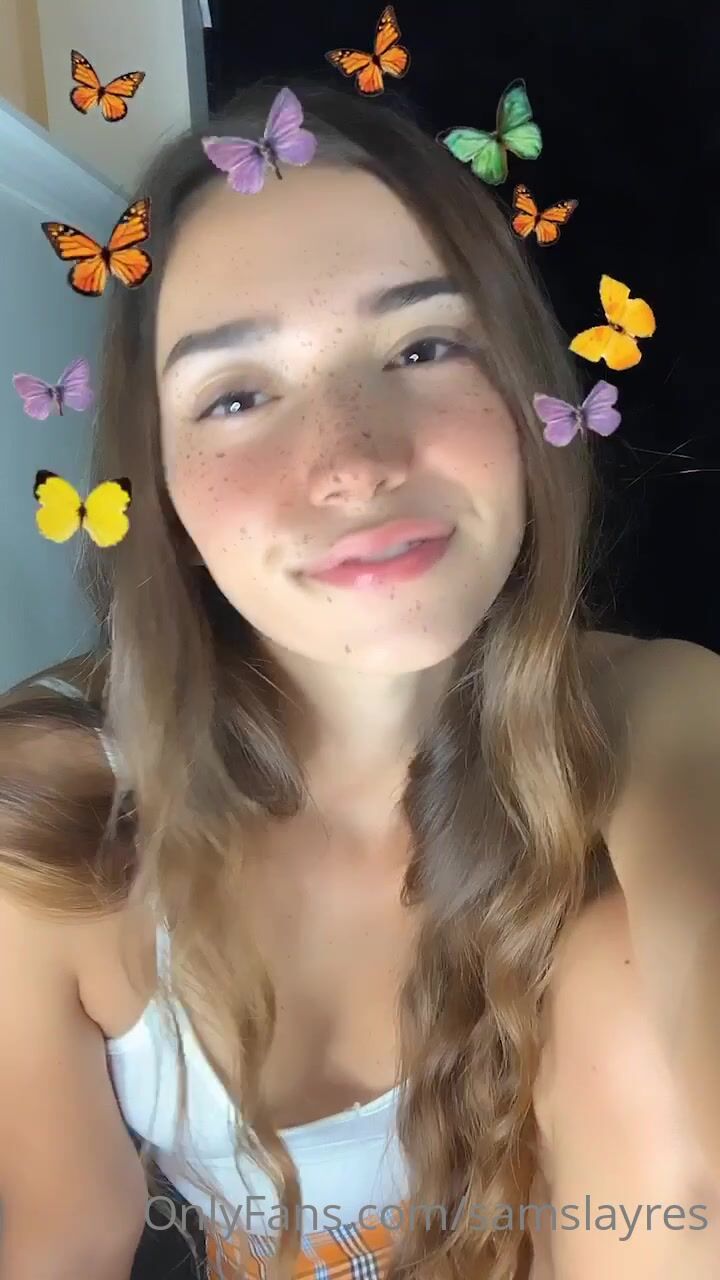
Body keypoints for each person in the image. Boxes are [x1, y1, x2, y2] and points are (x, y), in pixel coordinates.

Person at [0, 80, 719, 1280]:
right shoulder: (51, 815)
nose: (352, 463)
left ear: (531, 400)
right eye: (237, 395)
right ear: (160, 486)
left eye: (424, 346)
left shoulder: (655, 716)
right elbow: (60, 1238)